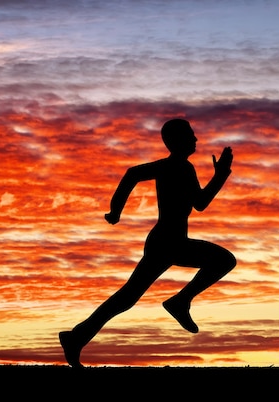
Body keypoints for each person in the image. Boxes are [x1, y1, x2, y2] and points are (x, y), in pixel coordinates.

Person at [59, 118, 236, 368]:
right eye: (191, 135)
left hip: (171, 241)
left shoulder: (185, 168)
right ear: (176, 141)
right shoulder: (174, 167)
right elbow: (133, 173)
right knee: (222, 260)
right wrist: (115, 210)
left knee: (127, 297)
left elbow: (199, 203)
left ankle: (76, 336)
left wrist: (220, 175)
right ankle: (179, 301)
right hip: (166, 241)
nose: (196, 139)